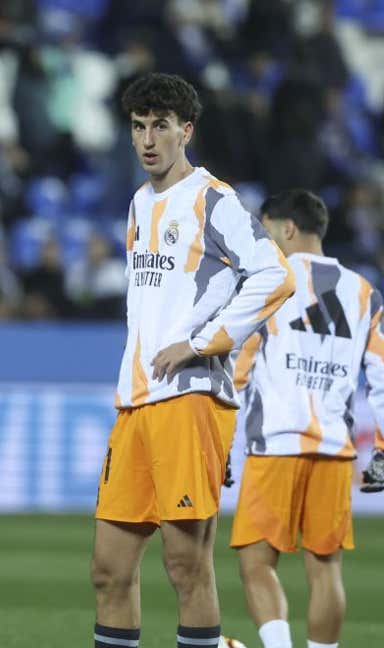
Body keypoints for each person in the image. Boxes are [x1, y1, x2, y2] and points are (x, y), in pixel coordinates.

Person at [91, 72, 295, 648]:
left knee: (186, 566)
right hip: (136, 402)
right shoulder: (137, 203)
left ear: (187, 130)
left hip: (189, 399)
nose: (148, 139)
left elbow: (274, 274)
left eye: (160, 126)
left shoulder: (213, 200)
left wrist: (204, 341)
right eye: (138, 126)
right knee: (109, 568)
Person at [229, 189, 384, 648]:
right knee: (326, 568)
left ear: (287, 229)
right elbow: (382, 376)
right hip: (334, 450)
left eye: (265, 229)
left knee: (257, 565)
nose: (262, 239)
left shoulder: (268, 280)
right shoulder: (364, 293)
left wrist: (216, 437)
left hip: (276, 444)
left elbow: (237, 364)